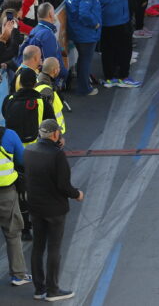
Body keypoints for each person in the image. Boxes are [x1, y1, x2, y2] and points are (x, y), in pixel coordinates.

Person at [24, 119, 82, 302]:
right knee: (54, 249)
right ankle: (53, 290)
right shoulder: (57, 155)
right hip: (55, 210)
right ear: (56, 134)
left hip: (35, 207)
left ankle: (39, 288)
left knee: (38, 247)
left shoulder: (29, 150)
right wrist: (77, 194)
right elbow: (64, 185)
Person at [93, 0, 139, 88]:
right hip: (118, 19)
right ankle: (123, 76)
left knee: (107, 49)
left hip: (104, 18)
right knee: (124, 49)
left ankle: (109, 77)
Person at [0, 119, 29, 289]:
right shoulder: (9, 135)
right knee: (12, 233)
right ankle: (18, 275)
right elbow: (22, 160)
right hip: (6, 193)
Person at [62, 0, 101, 96]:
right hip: (86, 34)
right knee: (85, 60)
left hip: (77, 32)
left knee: (83, 59)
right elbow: (84, 14)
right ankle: (84, 88)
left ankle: (83, 84)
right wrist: (94, 23)